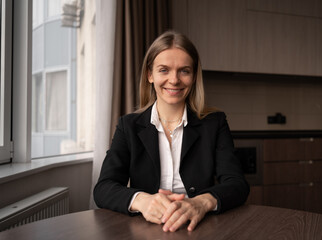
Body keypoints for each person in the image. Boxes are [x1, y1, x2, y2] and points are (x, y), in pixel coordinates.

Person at [93, 30, 249, 232]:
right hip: (146, 228)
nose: (174, 80)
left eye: (184, 71)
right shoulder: (128, 126)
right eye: (164, 70)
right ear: (150, 75)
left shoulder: (215, 123)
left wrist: (201, 202)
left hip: (201, 226)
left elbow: (237, 184)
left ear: (193, 77)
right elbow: (104, 188)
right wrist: (142, 201)